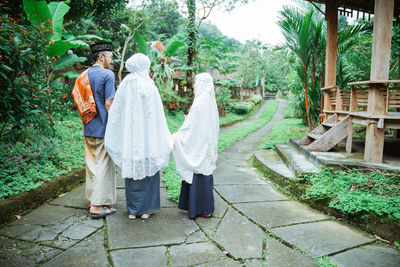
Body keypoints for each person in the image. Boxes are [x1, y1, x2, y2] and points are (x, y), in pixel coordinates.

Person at [105, 53, 173, 220]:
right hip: (147, 137)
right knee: (149, 170)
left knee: (133, 170)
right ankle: (146, 209)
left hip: (130, 138)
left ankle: (133, 210)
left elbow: (116, 112)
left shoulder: (124, 86)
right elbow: (157, 115)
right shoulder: (150, 86)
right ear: (143, 65)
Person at [75, 42, 117, 219]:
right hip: (103, 128)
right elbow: (109, 103)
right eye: (111, 57)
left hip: (88, 126)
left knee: (92, 166)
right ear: (102, 57)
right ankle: (97, 208)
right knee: (102, 167)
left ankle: (93, 200)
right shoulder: (108, 74)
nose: (112, 60)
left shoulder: (83, 75)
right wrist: (116, 126)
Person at [172, 73, 219, 219]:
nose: (193, 86)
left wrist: (176, 136)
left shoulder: (200, 103)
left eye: (196, 82)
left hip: (199, 143)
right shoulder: (209, 100)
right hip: (206, 143)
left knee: (197, 170)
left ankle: (200, 208)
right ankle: (204, 208)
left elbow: (192, 126)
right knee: (204, 170)